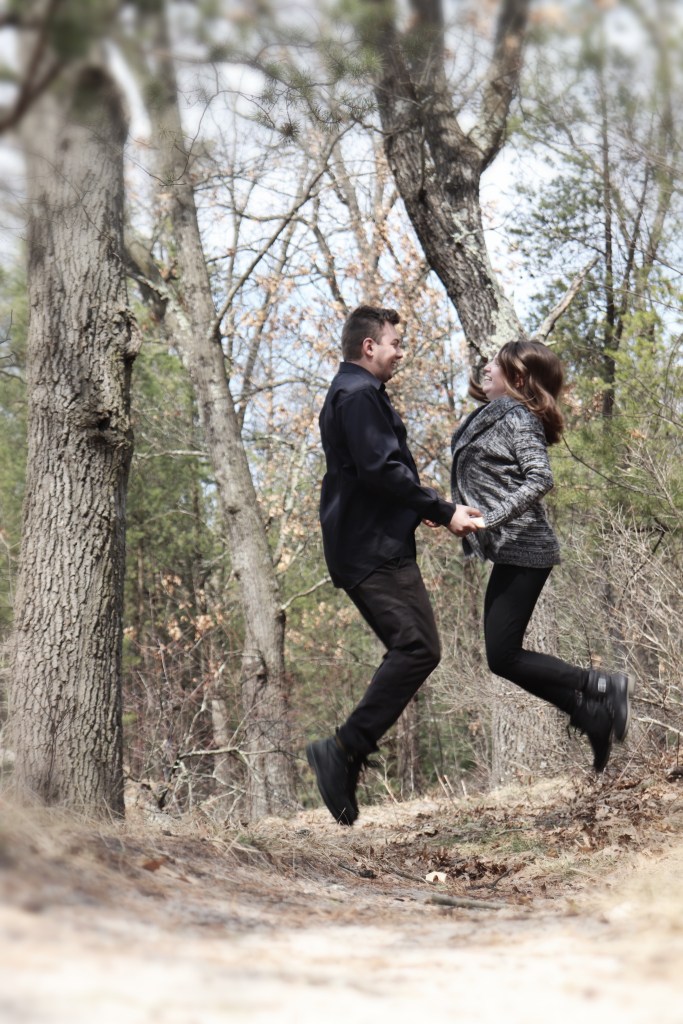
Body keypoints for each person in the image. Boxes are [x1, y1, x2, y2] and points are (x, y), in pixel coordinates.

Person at [306, 304, 481, 825]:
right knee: (417, 647)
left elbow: (372, 473)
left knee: (415, 647)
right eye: (395, 344)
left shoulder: (353, 392)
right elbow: (381, 470)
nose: (400, 353)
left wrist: (415, 506)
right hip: (371, 549)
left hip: (368, 543)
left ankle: (344, 752)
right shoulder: (358, 395)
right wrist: (442, 510)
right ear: (369, 346)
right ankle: (342, 750)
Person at [450, 339, 633, 773]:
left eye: (496, 364)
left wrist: (490, 518)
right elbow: (484, 477)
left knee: (503, 655)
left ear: (517, 378)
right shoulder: (494, 415)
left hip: (525, 547)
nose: (486, 367)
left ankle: (602, 685)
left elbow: (540, 478)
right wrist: (448, 511)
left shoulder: (518, 417)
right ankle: (590, 713)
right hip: (511, 549)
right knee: (503, 657)